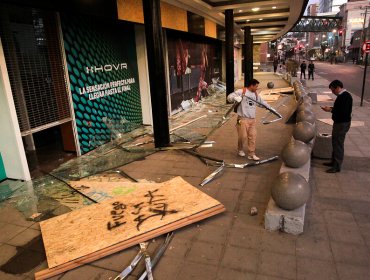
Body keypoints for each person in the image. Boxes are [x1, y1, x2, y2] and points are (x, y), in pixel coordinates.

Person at [227, 79, 273, 160]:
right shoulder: (242, 91)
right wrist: (235, 98)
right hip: (242, 119)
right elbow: (229, 97)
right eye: (256, 86)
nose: (257, 88)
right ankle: (240, 149)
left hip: (252, 120)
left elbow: (261, 102)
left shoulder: (255, 94)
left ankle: (251, 154)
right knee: (243, 136)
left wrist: (270, 108)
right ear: (251, 85)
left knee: (252, 136)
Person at [321, 80, 353, 173]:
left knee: (338, 144)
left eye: (333, 90)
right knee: (335, 142)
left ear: (338, 87)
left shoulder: (346, 96)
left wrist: (330, 110)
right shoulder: (342, 96)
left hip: (342, 124)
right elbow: (339, 109)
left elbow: (344, 112)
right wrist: (331, 109)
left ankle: (337, 165)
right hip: (339, 123)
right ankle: (333, 161)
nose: (332, 92)